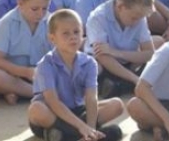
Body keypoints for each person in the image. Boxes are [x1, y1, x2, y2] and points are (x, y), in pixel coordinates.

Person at [27, 9, 125, 141]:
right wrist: (82, 127)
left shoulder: (90, 63)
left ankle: (66, 136)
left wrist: (91, 128)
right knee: (36, 109)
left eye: (76, 32)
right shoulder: (45, 65)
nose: (73, 37)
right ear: (52, 38)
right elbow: (53, 102)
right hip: (52, 113)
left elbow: (91, 98)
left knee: (116, 104)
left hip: (77, 110)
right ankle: (80, 135)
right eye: (66, 34)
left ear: (83, 33)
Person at [85, 0, 156, 98]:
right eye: (134, 18)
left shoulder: (139, 16)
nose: (138, 21)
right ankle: (125, 84)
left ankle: (120, 85)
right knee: (96, 67)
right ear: (120, 6)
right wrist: (135, 79)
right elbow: (102, 56)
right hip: (104, 64)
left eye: (141, 18)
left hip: (127, 61)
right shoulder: (98, 17)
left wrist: (117, 53)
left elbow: (150, 53)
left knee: (160, 45)